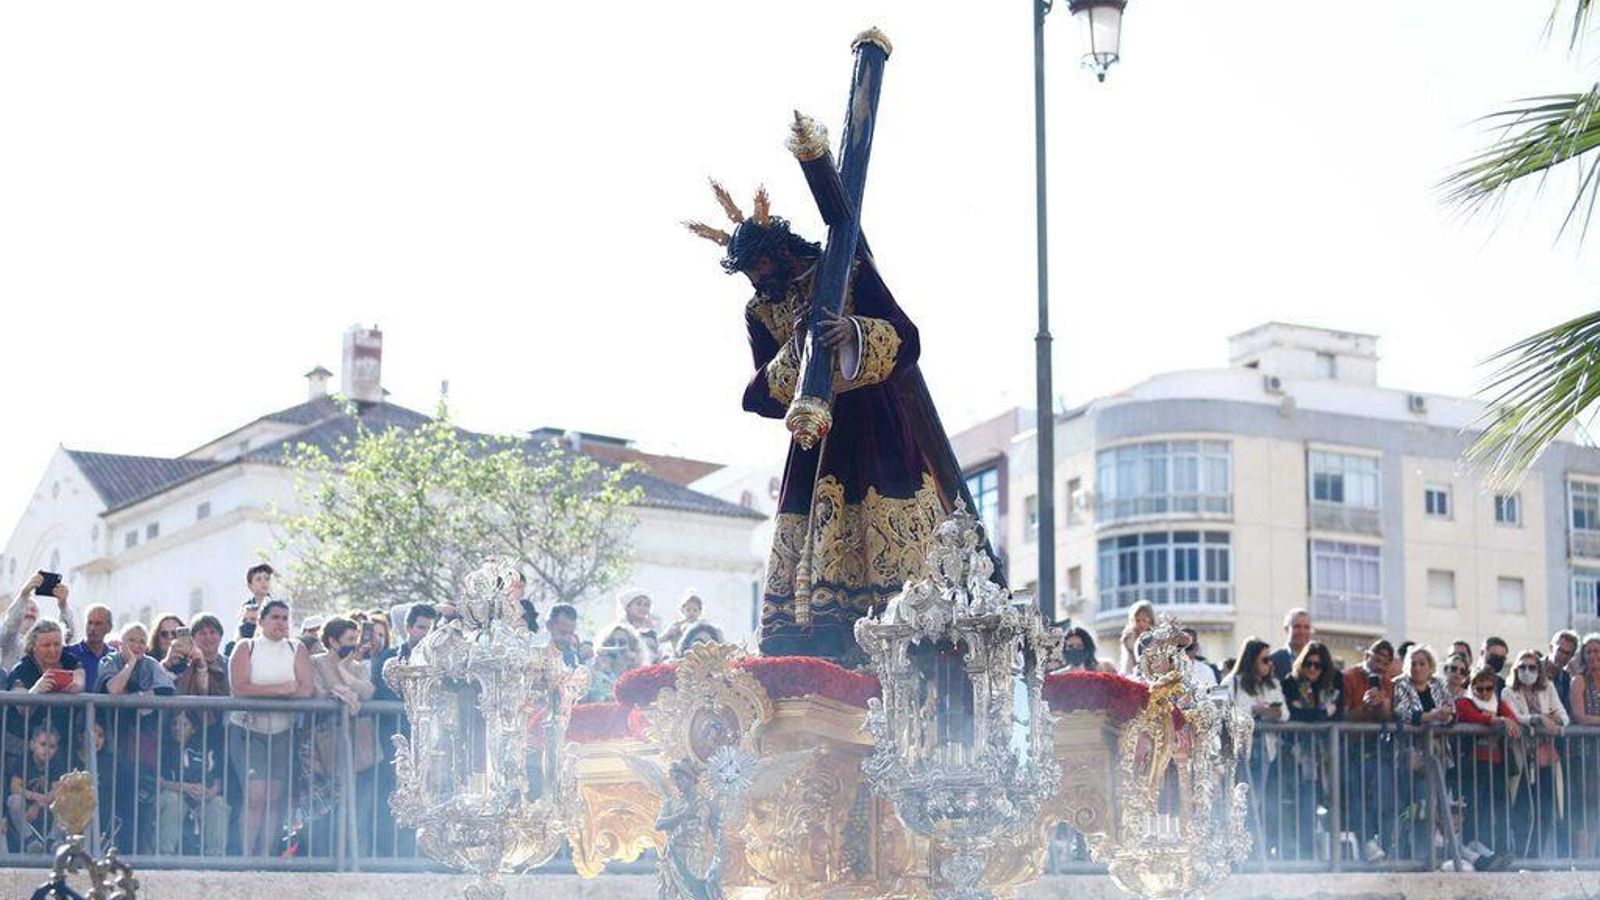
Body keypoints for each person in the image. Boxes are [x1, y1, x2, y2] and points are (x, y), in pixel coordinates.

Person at [696, 187, 981, 662]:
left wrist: (853, 332)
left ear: (780, 251)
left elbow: (906, 337)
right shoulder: (760, 309)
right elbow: (761, 392)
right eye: (747, 274)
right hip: (815, 435)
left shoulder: (847, 267)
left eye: (759, 268)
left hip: (876, 422)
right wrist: (799, 352)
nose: (756, 281)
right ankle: (823, 651)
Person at [228, 599, 316, 858]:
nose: (281, 623)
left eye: (285, 618)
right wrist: (281, 690)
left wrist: (264, 695)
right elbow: (240, 687)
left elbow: (305, 689)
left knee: (274, 797)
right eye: (275, 617)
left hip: (282, 732)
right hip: (247, 732)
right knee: (255, 795)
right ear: (261, 621)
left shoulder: (296, 648)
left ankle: (266, 856)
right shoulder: (246, 647)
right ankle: (247, 857)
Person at [1223, 637, 1288, 859]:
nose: (1270, 664)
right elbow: (1223, 711)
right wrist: (1254, 710)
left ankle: (1254, 852)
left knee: (1259, 803)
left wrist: (1274, 712)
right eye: (1265, 659)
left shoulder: (1273, 684)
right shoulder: (1232, 682)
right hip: (1240, 751)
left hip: (1266, 750)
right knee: (1244, 803)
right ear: (1252, 660)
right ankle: (1246, 853)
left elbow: (1285, 713)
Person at [1391, 645, 1455, 862]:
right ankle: (1406, 853)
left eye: (1422, 663)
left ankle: (1425, 854)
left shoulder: (1439, 684)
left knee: (1431, 805)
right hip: (1409, 755)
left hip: (1437, 755)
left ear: (1430, 667)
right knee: (1412, 807)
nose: (1417, 668)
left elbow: (1452, 711)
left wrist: (1444, 716)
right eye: (1413, 663)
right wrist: (1432, 716)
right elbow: (1402, 713)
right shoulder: (1400, 684)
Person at [1281, 641, 1343, 860]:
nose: (1313, 669)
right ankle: (1306, 855)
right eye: (1308, 664)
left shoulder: (1335, 680)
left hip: (1329, 752)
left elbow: (1338, 713)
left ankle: (1334, 857)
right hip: (1301, 754)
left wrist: (1313, 713)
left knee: (1333, 802)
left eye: (1318, 665)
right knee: (1304, 803)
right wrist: (1322, 713)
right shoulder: (1291, 681)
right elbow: (1294, 714)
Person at [1505, 649, 1569, 859]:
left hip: (1546, 759)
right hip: (1522, 758)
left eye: (1532, 667)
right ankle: (1521, 857)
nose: (1527, 671)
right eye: (1522, 667)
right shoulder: (1508, 692)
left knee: (1545, 810)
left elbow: (1563, 717)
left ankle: (1536, 858)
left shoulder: (1548, 688)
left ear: (1539, 670)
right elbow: (1516, 716)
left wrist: (1548, 719)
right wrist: (1540, 718)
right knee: (1522, 810)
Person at [1456, 665, 1521, 863]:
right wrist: (1497, 720)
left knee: (1500, 808)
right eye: (1479, 689)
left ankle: (1500, 851)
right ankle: (1477, 851)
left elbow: (1513, 719)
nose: (1484, 693)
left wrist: (1500, 719)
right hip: (1473, 764)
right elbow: (1471, 716)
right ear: (1472, 687)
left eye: (1488, 688)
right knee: (1476, 808)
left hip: (1497, 764)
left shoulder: (1498, 704)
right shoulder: (1464, 702)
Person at [1341, 639, 1398, 862]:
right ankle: (1366, 842)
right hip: (1349, 748)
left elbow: (1389, 719)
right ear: (1367, 656)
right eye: (1377, 660)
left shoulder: (1389, 684)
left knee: (1384, 797)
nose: (1380, 666)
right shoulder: (1349, 677)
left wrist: (1382, 705)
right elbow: (1342, 716)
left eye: (1385, 663)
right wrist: (1364, 706)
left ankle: (1384, 845)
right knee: (1355, 797)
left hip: (1377, 748)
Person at [5, 620, 85, 766]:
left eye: (57, 644)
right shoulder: (22, 669)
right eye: (46, 645)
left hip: (62, 743)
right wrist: (36, 690)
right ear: (33, 646)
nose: (53, 650)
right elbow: (22, 707)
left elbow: (79, 682)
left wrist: (68, 685)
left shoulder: (69, 660)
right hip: (23, 744)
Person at [154, 711, 229, 856]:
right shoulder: (163, 748)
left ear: (194, 728)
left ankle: (215, 857)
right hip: (175, 796)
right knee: (172, 800)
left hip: (202, 798)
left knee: (219, 803)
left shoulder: (206, 748)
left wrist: (210, 793)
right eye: (174, 724)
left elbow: (218, 778)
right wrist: (184, 787)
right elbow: (158, 780)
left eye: (184, 725)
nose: (178, 728)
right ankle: (165, 855)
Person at [1, 574, 75, 673]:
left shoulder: (49, 641)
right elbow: (10, 626)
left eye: (33, 610)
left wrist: (63, 605)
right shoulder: (11, 641)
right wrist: (24, 594)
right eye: (26, 609)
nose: (30, 613)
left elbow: (66, 634)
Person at [5, 727, 64, 853]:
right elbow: (15, 788)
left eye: (51, 746)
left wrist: (38, 805)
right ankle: (30, 840)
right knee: (13, 800)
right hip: (26, 807)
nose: (46, 750)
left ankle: (53, 840)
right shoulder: (22, 760)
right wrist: (35, 797)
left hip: (47, 807)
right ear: (32, 745)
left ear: (56, 749)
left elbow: (57, 791)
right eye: (43, 744)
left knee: (64, 799)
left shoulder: (56, 762)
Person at [1569, 634, 1600, 858]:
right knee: (1585, 805)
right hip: (1585, 751)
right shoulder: (1579, 680)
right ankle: (1583, 859)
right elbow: (1579, 716)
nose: (1593, 655)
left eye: (1597, 651)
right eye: (1588, 651)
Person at [63, 604, 114, 694]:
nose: (92, 628)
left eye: (98, 624)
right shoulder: (69, 653)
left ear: (109, 628)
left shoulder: (115, 657)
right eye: (89, 623)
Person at [614, 589, 662, 664]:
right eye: (639, 604)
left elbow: (659, 651)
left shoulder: (653, 629)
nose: (643, 608)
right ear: (628, 607)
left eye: (646, 605)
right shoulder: (620, 629)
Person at [1268, 608, 1312, 681]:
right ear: (1286, 629)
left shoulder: (1317, 661)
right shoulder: (1273, 660)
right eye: (1297, 627)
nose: (1302, 632)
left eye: (1306, 627)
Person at [660, 591, 705, 658]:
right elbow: (660, 640)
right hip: (677, 659)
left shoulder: (703, 626)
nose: (691, 613)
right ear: (682, 610)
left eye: (695, 610)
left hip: (696, 660)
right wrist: (669, 634)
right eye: (688, 610)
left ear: (700, 612)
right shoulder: (677, 625)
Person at [1117, 601, 1156, 677]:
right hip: (1131, 672)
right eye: (1138, 620)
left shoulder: (1154, 637)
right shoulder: (1129, 637)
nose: (1141, 624)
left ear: (1151, 621)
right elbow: (1128, 662)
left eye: (1144, 620)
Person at [1548, 630, 1580, 714]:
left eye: (1567, 653)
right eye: (1560, 650)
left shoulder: (1566, 680)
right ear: (1551, 648)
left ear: (1572, 656)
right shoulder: (1531, 668)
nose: (1562, 656)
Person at [149, 613, 188, 677]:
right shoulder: (148, 662)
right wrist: (166, 663)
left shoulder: (190, 661)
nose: (170, 637)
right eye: (164, 634)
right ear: (156, 637)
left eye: (174, 633)